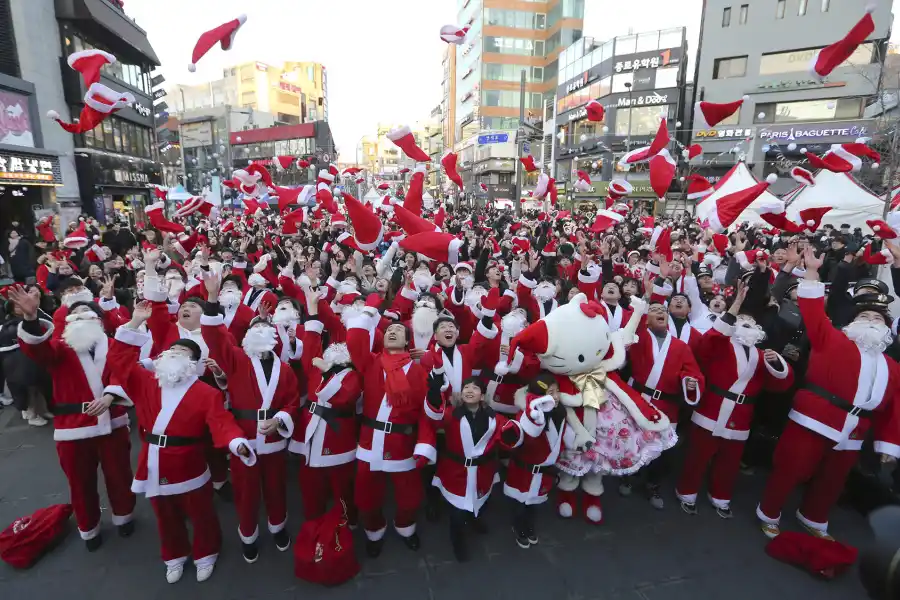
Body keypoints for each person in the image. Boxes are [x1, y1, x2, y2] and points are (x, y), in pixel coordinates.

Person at [106, 302, 257, 583]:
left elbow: (221, 422)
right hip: (153, 459)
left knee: (200, 512)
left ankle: (206, 551)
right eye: (171, 350)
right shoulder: (146, 381)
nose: (174, 353)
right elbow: (119, 362)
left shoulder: (205, 392)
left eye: (182, 352)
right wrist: (134, 323)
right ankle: (173, 556)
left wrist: (236, 443)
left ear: (194, 363)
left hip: (188, 460)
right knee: (165, 515)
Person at [757, 247, 900, 540]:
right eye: (867, 315)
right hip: (814, 418)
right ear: (854, 321)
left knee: (833, 480)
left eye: (879, 318)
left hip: (856, 429)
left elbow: (893, 406)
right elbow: (813, 312)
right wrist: (811, 273)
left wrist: (889, 446)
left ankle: (814, 518)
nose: (873, 320)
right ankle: (769, 512)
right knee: (791, 469)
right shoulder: (832, 339)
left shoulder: (890, 364)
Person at [8, 285, 136, 549]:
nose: (80, 316)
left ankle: (124, 517)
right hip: (72, 428)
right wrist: (31, 320)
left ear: (98, 321)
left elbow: (123, 371)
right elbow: (37, 350)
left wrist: (111, 395)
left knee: (120, 475)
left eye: (87, 312)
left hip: (112, 422)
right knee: (80, 483)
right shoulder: (59, 349)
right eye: (74, 313)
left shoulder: (112, 346)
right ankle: (89, 528)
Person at [201, 273, 300, 562]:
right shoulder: (236, 359)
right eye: (255, 325)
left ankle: (278, 526)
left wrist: (280, 419)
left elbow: (293, 401)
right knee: (245, 492)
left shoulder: (285, 370)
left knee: (276, 487)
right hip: (243, 436)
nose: (260, 328)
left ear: (273, 335)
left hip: (273, 438)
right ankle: (248, 534)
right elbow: (215, 337)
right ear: (246, 336)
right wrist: (211, 298)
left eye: (265, 325)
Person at [676, 284, 794, 518]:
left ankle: (721, 496)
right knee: (698, 455)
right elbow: (708, 342)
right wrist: (735, 306)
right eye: (741, 318)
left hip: (741, 414)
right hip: (712, 407)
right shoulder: (720, 345)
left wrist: (778, 364)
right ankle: (686, 492)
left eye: (751, 320)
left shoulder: (762, 354)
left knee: (730, 461)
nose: (747, 322)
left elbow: (779, 385)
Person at [345, 303, 433, 557]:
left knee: (409, 498)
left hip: (402, 443)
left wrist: (424, 444)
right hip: (370, 441)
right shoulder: (371, 362)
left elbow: (426, 413)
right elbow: (355, 337)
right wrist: (372, 308)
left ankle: (405, 527)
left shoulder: (418, 372)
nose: (393, 332)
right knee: (366, 497)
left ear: (407, 340)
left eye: (399, 330)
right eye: (389, 330)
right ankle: (374, 530)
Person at [420, 376, 522, 561]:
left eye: (475, 388)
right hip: (456, 473)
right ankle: (457, 542)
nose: (469, 390)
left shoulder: (494, 418)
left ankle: (475, 519)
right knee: (457, 515)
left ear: (482, 396)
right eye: (466, 387)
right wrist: (435, 393)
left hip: (483, 472)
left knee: (482, 502)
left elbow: (509, 433)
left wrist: (516, 430)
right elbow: (434, 417)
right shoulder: (451, 414)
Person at [624, 300, 704, 508]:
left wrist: (690, 380)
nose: (660, 312)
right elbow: (628, 334)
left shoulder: (681, 346)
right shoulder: (639, 337)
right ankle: (629, 476)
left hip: (667, 405)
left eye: (663, 311)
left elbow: (692, 371)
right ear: (646, 319)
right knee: (634, 441)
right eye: (654, 310)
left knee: (662, 449)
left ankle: (653, 484)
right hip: (640, 399)